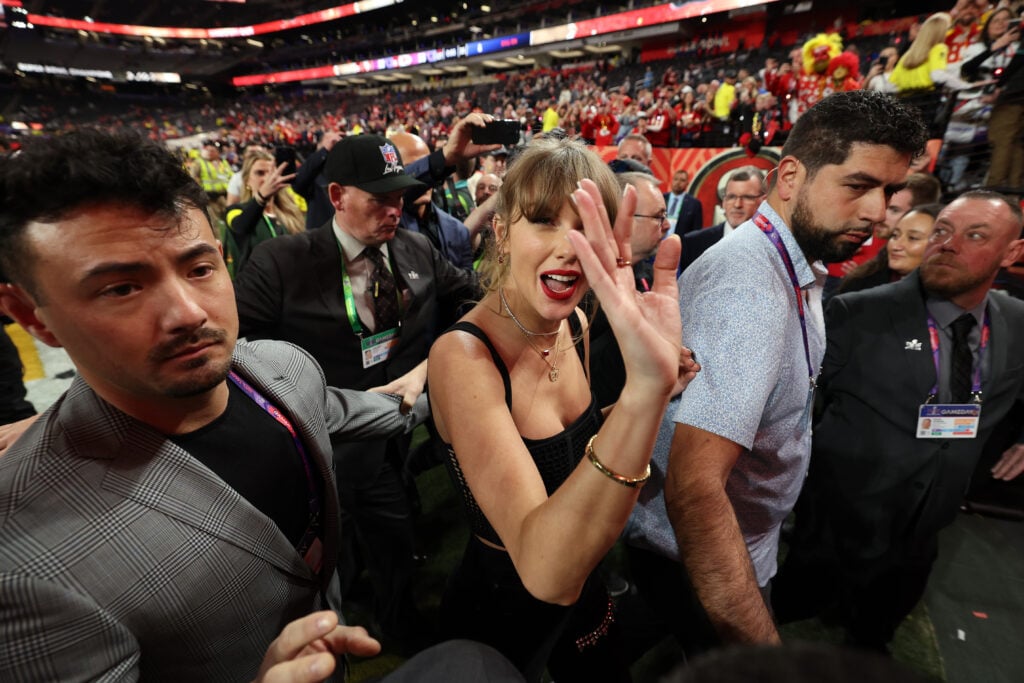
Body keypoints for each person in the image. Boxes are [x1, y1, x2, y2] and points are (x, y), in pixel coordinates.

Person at [0, 128, 516, 682]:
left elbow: (383, 410)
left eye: (199, 269)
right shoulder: (23, 565)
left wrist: (461, 364)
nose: (188, 313)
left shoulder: (279, 367)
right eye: (122, 288)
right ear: (32, 316)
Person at [660, 91, 927, 646]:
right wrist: (767, 657)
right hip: (710, 550)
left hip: (742, 536)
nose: (878, 213)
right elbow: (695, 489)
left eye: (890, 192)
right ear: (788, 177)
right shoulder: (750, 287)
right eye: (857, 186)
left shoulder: (788, 259)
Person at [428, 136, 697, 682]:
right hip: (503, 610)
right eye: (546, 221)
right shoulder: (463, 357)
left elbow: (582, 446)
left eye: (585, 227)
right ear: (502, 234)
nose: (570, 248)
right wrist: (644, 393)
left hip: (588, 577)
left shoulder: (573, 324)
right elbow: (544, 571)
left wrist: (652, 394)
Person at [234, 133, 478, 653]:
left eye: (399, 197)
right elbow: (236, 353)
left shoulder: (416, 247)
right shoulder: (279, 263)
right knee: (325, 560)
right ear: (338, 195)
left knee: (393, 541)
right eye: (379, 198)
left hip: (395, 437)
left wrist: (438, 361)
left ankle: (399, 627)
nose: (394, 210)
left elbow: (473, 301)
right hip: (317, 451)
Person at [773, 191, 1024, 650]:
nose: (948, 244)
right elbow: (800, 403)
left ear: (1012, 252)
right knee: (786, 614)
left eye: (975, 235)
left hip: (930, 521)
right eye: (943, 230)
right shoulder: (859, 312)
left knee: (874, 633)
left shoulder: (1018, 322)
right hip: (839, 514)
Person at [223, 149, 304, 277]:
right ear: (247, 181)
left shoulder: (290, 211)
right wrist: (261, 197)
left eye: (271, 173)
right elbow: (240, 227)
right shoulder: (235, 211)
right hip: (258, 292)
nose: (267, 178)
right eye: (259, 173)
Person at [679, 166, 766, 273]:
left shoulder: (772, 246)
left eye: (747, 197)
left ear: (763, 202)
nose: (737, 204)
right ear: (724, 201)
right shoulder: (693, 243)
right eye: (731, 197)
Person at [839, 204, 942, 294]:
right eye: (895, 235)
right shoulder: (860, 283)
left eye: (913, 238)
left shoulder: (946, 298)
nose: (896, 246)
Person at [664, 169, 704, 237]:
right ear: (672, 180)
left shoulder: (694, 204)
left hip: (681, 243)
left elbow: (696, 231)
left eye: (682, 180)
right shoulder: (662, 198)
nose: (678, 182)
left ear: (687, 183)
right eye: (675, 179)